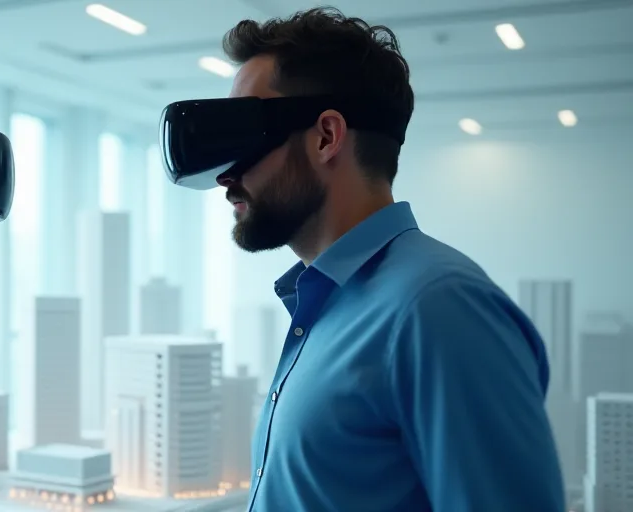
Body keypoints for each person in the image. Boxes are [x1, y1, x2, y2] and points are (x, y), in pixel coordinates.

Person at [215, 8, 566, 512]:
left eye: (244, 133)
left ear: (326, 137)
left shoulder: (439, 310)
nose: (226, 174)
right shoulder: (328, 306)